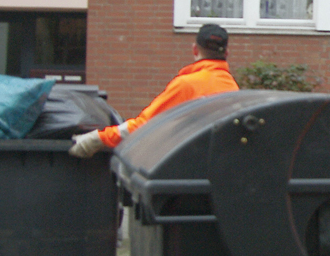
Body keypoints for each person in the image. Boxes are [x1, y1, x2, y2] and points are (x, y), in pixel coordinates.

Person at [68, 24, 239, 157]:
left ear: (195, 49)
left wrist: (98, 139)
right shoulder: (232, 87)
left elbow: (146, 125)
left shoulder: (188, 85)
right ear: (227, 53)